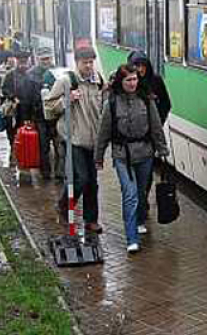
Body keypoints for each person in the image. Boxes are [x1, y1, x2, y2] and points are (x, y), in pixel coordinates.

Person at [95, 64, 169, 254]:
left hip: (145, 154)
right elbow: (103, 133)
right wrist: (99, 157)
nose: (132, 83)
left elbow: (155, 126)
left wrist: (162, 149)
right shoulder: (111, 103)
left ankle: (139, 220)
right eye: (128, 80)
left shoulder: (146, 100)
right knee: (130, 194)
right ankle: (131, 238)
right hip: (122, 156)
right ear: (121, 82)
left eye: (135, 79)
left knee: (141, 192)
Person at [45, 47, 105, 234]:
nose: (88, 66)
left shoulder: (98, 81)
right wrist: (67, 101)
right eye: (84, 62)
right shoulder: (66, 81)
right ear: (77, 62)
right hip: (73, 139)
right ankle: (63, 206)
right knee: (80, 179)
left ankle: (91, 220)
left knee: (92, 183)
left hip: (92, 140)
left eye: (91, 62)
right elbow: (48, 108)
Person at [127, 50, 171, 220]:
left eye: (142, 65)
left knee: (146, 175)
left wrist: (157, 123)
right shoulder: (126, 82)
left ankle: (142, 204)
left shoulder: (155, 81)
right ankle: (135, 206)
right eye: (136, 65)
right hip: (128, 141)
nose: (139, 69)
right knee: (131, 178)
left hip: (148, 139)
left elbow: (166, 103)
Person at [27, 45, 57, 179]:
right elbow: (27, 98)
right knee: (43, 146)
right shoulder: (31, 75)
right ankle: (46, 172)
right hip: (39, 115)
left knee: (59, 146)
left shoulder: (57, 72)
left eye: (48, 59)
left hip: (56, 114)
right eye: (43, 59)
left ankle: (60, 174)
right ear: (38, 59)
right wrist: (28, 117)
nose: (46, 62)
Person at [0, 52, 33, 148]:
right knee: (13, 131)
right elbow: (4, 89)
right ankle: (14, 148)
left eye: (25, 62)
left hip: (28, 108)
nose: (23, 65)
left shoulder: (31, 74)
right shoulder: (11, 75)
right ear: (17, 62)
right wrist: (13, 97)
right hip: (15, 109)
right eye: (21, 62)